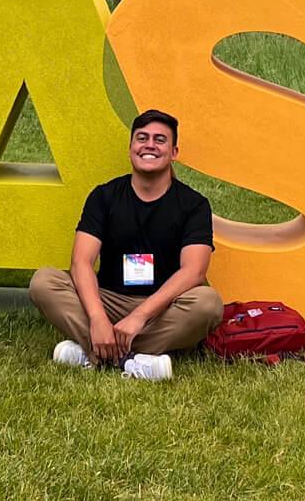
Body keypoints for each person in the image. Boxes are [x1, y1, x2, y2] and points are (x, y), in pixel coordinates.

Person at [27, 109, 222, 381]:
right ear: (131, 147)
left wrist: (139, 316)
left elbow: (194, 272)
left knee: (208, 304)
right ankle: (133, 360)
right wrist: (97, 319)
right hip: (109, 299)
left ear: (174, 152)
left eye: (160, 139)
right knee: (44, 281)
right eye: (142, 138)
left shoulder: (194, 204)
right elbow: (81, 262)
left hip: (162, 308)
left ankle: (93, 352)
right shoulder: (104, 196)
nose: (149, 145)